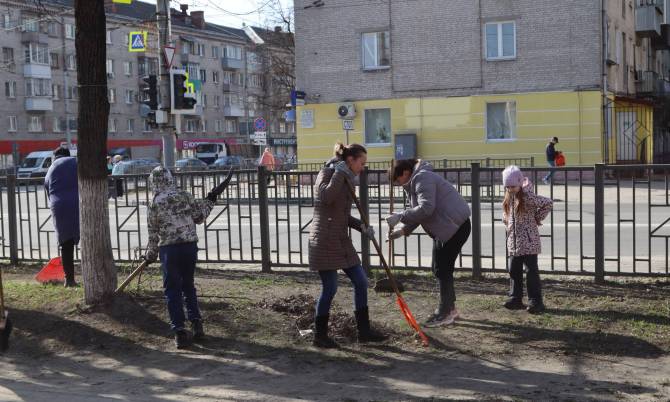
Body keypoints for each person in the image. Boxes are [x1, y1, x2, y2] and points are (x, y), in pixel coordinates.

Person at [308, 143, 386, 348]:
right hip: (324, 240)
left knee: (361, 281)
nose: (362, 168)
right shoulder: (326, 173)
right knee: (330, 288)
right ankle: (320, 336)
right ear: (350, 160)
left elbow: (342, 214)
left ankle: (364, 331)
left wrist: (362, 227)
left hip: (341, 240)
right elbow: (326, 197)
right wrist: (338, 175)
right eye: (361, 163)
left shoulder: (346, 177)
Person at [143, 166, 228, 348]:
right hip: (189, 247)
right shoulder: (184, 195)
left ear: (153, 182)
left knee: (172, 290)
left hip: (169, 251)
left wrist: (150, 254)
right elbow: (199, 216)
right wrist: (211, 199)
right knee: (188, 286)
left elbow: (153, 233)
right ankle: (197, 325)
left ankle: (180, 332)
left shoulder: (154, 203)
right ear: (169, 179)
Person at [386, 159, 471, 327]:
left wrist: (400, 216)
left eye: (396, 180)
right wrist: (403, 230)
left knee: (442, 269)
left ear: (404, 173)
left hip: (455, 227)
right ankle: (450, 308)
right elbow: (421, 213)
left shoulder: (422, 178)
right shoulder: (414, 181)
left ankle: (445, 312)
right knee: (439, 268)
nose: (396, 184)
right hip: (447, 228)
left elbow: (426, 208)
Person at [502, 166, 553, 314]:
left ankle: (535, 301)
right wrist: (506, 221)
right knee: (513, 270)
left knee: (531, 272)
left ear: (519, 183)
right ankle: (515, 298)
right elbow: (506, 213)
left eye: (513, 186)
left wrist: (537, 218)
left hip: (529, 242)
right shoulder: (508, 197)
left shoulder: (527, 196)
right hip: (514, 242)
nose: (511, 189)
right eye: (508, 187)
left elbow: (548, 203)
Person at [44, 147, 79, 287]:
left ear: (55, 156)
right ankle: (92, 275)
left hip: (58, 205)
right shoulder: (76, 162)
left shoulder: (51, 167)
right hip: (79, 202)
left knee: (66, 244)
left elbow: (47, 186)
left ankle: (69, 279)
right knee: (90, 239)